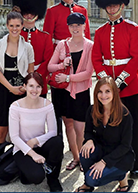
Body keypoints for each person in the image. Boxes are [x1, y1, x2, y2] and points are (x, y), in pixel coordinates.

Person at [91, 0, 138, 178]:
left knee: (132, 126)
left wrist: (119, 82)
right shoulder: (101, 32)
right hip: (107, 89)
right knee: (109, 127)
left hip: (129, 87)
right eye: (109, 5)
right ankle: (113, 161)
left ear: (122, 4)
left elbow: (137, 58)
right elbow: (97, 58)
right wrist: (106, 82)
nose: (112, 8)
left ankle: (135, 162)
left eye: (115, 4)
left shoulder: (133, 29)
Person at [43, 0, 91, 138]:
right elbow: (48, 41)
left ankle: (78, 146)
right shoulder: (52, 12)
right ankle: (59, 142)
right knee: (61, 109)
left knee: (78, 109)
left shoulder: (82, 11)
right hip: (60, 62)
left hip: (78, 62)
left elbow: (87, 40)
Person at [48, 12, 94, 172]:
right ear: (68, 27)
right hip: (63, 92)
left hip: (80, 92)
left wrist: (67, 78)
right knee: (68, 125)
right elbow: (50, 66)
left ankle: (83, 158)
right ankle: (76, 157)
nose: (75, 28)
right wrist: (62, 65)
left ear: (84, 26)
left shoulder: (90, 45)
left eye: (78, 25)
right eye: (72, 25)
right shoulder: (62, 44)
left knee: (80, 128)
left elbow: (88, 73)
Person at [74, 76, 134, 192]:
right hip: (101, 150)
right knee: (84, 152)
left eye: (107, 91)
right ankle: (87, 185)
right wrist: (89, 140)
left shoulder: (125, 115)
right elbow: (88, 132)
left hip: (120, 157)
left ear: (114, 93)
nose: (103, 95)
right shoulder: (92, 110)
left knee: (93, 179)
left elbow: (125, 145)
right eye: (100, 92)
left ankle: (122, 177)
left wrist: (103, 162)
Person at [0, 7, 34, 158]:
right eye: (11, 25)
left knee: (21, 129)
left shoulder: (28, 47)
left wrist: (23, 88)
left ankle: (19, 163)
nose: (14, 29)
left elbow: (30, 72)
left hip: (22, 91)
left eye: (17, 25)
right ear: (7, 26)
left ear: (22, 26)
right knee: (1, 129)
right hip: (4, 89)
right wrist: (10, 88)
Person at [9, 72, 64, 192]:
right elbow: (14, 137)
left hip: (39, 145)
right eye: (31, 86)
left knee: (57, 141)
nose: (35, 90)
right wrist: (33, 154)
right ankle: (24, 170)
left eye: (38, 86)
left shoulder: (47, 104)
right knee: (37, 177)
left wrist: (35, 141)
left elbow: (53, 131)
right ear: (24, 86)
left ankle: (53, 178)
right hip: (23, 149)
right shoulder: (15, 106)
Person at [12, 0, 54, 98]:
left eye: (32, 12)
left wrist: (35, 78)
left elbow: (47, 62)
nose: (29, 15)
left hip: (39, 84)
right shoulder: (15, 36)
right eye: (26, 13)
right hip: (19, 84)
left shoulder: (45, 37)